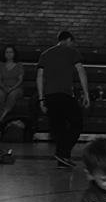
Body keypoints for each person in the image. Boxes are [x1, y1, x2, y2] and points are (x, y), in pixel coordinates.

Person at [36, 31, 90, 168]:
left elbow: (40, 77)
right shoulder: (72, 52)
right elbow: (81, 72)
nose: (73, 44)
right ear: (68, 40)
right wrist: (86, 94)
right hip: (65, 94)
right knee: (77, 124)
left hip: (50, 95)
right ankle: (62, 153)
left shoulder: (45, 54)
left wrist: (41, 99)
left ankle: (63, 160)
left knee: (59, 128)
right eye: (73, 42)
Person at [0, 45, 24, 126]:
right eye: (7, 52)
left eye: (11, 52)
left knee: (12, 95)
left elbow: (20, 80)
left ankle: (3, 117)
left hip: (16, 87)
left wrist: (12, 88)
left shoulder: (19, 65)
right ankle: (1, 114)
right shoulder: (0, 65)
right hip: (3, 87)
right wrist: (3, 87)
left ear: (14, 53)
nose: (9, 54)